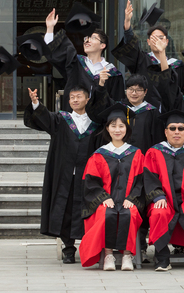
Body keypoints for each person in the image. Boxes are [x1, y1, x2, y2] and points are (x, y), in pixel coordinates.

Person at [25, 85, 103, 263]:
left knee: (87, 210)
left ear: (87, 99)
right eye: (72, 97)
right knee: (66, 210)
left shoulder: (96, 124)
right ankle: (68, 248)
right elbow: (44, 118)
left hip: (87, 176)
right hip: (65, 175)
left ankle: (90, 246)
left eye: (79, 96)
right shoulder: (61, 120)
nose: (75, 100)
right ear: (68, 101)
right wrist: (36, 103)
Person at [79, 105, 145, 270]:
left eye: (121, 126)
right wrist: (103, 197)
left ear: (126, 128)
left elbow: (141, 181)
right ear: (107, 129)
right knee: (105, 212)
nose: (117, 130)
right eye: (113, 126)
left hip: (128, 199)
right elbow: (90, 182)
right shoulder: (99, 154)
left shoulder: (136, 154)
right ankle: (108, 255)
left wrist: (132, 198)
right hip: (107, 199)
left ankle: (127, 255)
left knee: (130, 212)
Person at [144, 111, 184, 272]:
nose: (177, 132)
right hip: (164, 198)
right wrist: (158, 196)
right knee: (159, 213)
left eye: (181, 128)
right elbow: (150, 178)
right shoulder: (154, 152)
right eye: (172, 128)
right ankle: (162, 258)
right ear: (166, 132)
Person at [43, 9, 124, 112]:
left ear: (102, 45)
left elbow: (117, 104)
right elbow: (53, 54)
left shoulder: (113, 74)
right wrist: (50, 28)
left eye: (93, 38)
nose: (87, 41)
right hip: (75, 118)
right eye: (86, 38)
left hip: (100, 120)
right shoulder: (75, 63)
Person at [112, 0, 184, 108]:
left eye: (160, 38)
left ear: (167, 42)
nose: (157, 41)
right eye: (153, 38)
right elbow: (132, 47)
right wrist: (127, 25)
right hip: (146, 112)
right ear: (148, 42)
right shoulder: (142, 60)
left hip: (170, 112)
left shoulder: (177, 66)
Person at [87, 74, 160, 153]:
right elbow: (99, 107)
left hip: (142, 156)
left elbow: (157, 139)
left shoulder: (152, 112)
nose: (134, 93)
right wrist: (101, 85)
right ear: (126, 90)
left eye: (138, 90)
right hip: (116, 156)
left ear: (145, 91)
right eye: (130, 89)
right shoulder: (117, 107)